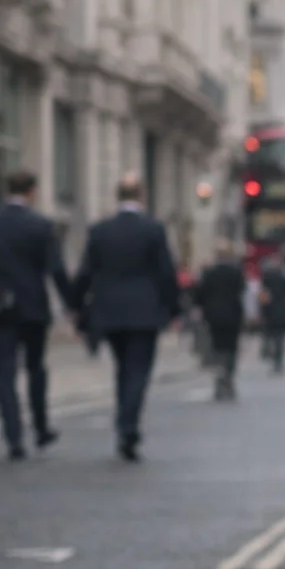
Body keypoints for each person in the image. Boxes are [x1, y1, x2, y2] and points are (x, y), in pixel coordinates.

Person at [73, 173, 179, 460]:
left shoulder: (100, 230)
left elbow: (86, 272)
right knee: (138, 370)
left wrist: (76, 305)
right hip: (145, 311)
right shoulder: (153, 229)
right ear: (141, 196)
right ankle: (128, 424)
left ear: (117, 196)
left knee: (122, 368)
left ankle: (124, 421)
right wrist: (173, 308)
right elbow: (166, 273)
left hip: (109, 310)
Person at [0, 169, 74, 459]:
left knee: (4, 372)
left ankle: (14, 435)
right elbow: (56, 269)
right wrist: (71, 304)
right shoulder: (41, 225)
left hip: (3, 309)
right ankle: (41, 426)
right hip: (33, 307)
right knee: (35, 368)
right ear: (32, 191)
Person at [194, 243, 246, 400]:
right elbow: (242, 291)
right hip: (233, 315)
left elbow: (199, 294)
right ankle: (228, 375)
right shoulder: (236, 272)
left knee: (217, 346)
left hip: (213, 315)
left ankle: (220, 376)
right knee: (231, 347)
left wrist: (201, 308)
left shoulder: (209, 273)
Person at [259, 253, 285, 373]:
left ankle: (268, 352)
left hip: (269, 310)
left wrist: (262, 309)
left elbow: (263, 295)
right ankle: (278, 359)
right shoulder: (284, 278)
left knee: (269, 333)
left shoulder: (266, 278)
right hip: (281, 310)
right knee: (280, 336)